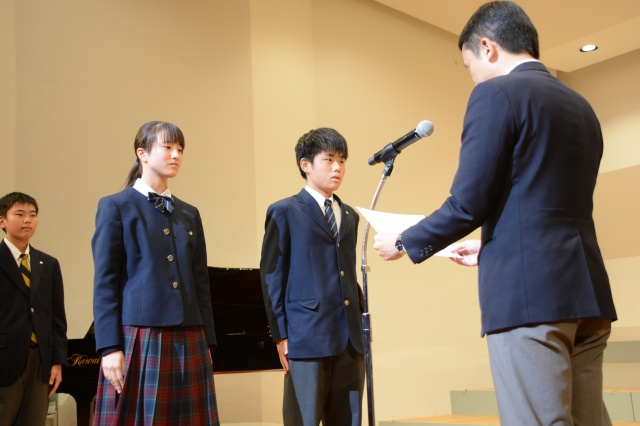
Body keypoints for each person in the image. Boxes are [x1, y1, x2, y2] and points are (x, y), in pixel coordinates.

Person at [373, 2, 617, 424]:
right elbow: (545, 202)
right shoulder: (581, 106)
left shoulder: (495, 94)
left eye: (469, 65)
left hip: (530, 299)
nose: (472, 76)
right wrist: (490, 248)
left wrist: (403, 241)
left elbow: (468, 203)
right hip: (588, 292)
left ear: (487, 47)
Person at [91, 121, 220, 425]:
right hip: (140, 334)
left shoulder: (189, 213)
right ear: (143, 153)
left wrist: (208, 342)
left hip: (190, 334)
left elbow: (200, 283)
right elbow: (105, 283)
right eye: (168, 147)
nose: (176, 155)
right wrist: (110, 347)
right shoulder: (116, 206)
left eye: (180, 149)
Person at [260, 128, 365, 425]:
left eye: (342, 161)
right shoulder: (284, 211)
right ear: (305, 164)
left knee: (348, 420)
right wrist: (280, 334)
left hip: (349, 339)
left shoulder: (350, 215)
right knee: (303, 420)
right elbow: (272, 276)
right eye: (328, 159)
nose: (337, 168)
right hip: (305, 335)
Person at [0, 192, 68, 426]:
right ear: (2, 221)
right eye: (19, 214)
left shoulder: (48, 263)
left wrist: (57, 361)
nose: (27, 220)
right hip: (4, 357)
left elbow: (57, 318)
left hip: (41, 360)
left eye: (32, 215)